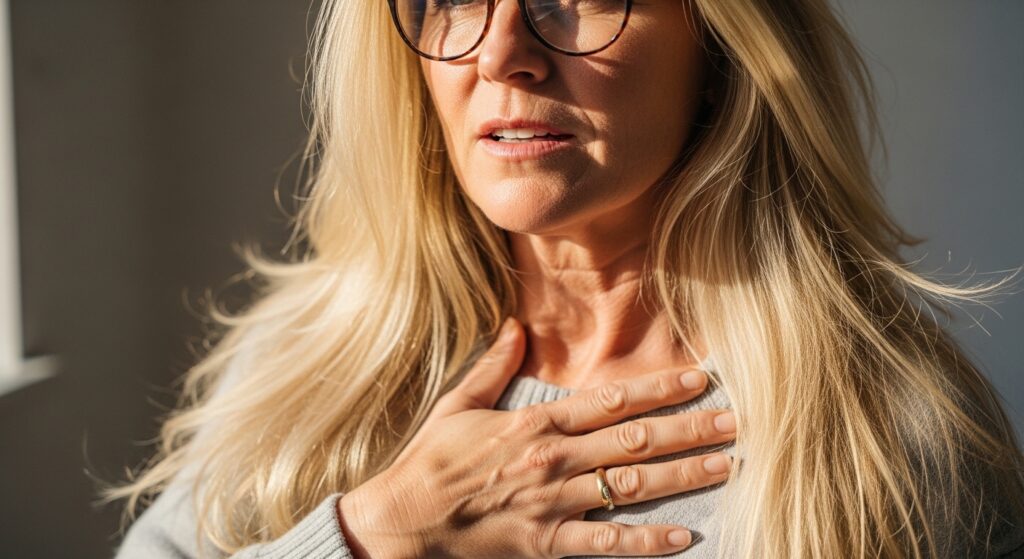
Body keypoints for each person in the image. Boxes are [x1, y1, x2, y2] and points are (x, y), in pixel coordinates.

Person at [101, 0, 1024, 557]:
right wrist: (369, 537)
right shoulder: (301, 361)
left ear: (721, 45)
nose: (500, 52)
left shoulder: (882, 439)